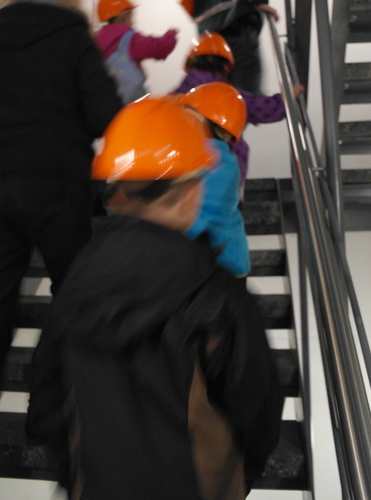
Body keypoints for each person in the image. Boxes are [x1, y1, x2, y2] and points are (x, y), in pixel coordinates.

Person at [27, 96, 283, 500]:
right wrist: (234, 481)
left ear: (116, 196)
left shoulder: (74, 284)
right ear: (191, 191)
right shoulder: (217, 294)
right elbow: (258, 408)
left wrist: (75, 476)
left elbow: (46, 396)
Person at [0, 0, 122, 500]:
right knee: (76, 309)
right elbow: (106, 116)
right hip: (56, 184)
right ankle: (74, 466)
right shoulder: (74, 40)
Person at [172, 31, 304, 189]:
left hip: (181, 170)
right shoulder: (222, 91)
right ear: (220, 63)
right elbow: (259, 108)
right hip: (218, 169)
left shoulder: (177, 94)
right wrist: (286, 98)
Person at [180, 82, 251, 277]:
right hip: (226, 259)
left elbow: (203, 215)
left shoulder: (215, 163)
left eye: (187, 115)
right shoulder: (223, 160)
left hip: (221, 265)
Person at [94, 0, 178, 103]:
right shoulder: (130, 39)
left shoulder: (95, 41)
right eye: (131, 14)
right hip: (132, 104)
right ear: (123, 15)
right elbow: (158, 48)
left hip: (107, 104)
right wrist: (170, 35)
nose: (133, 19)